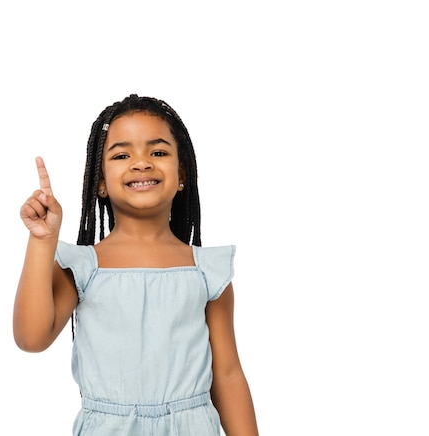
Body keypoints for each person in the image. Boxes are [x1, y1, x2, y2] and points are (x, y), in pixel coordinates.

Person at [13, 94, 259, 435]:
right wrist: (42, 241)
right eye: (122, 154)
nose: (141, 163)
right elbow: (31, 337)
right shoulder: (83, 268)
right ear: (99, 181)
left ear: (182, 173)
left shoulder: (206, 272)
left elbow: (228, 375)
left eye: (158, 152)